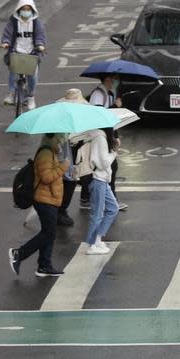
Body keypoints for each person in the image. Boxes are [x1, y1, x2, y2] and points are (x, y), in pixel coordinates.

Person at [8, 134, 69, 277]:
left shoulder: (50, 152)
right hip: (44, 200)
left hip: (50, 199)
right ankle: (19, 253)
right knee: (49, 233)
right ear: (52, 139)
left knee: (50, 233)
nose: (61, 143)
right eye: (59, 139)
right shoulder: (45, 154)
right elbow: (47, 178)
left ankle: (44, 265)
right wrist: (63, 167)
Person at [85, 75, 127, 211]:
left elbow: (110, 120)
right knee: (110, 167)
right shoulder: (98, 94)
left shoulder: (108, 94)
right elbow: (99, 115)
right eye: (113, 79)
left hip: (105, 136)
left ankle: (87, 198)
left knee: (102, 168)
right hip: (98, 137)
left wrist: (115, 135)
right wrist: (116, 106)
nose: (115, 81)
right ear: (107, 79)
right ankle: (110, 201)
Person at [0, 0, 46, 111]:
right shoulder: (13, 22)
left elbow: (40, 36)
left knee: (33, 75)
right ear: (19, 10)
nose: (26, 11)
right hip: (16, 51)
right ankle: (11, 93)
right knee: (13, 72)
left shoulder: (36, 23)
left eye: (28, 9)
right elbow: (7, 34)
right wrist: (6, 43)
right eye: (23, 9)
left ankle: (31, 97)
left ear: (32, 10)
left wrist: (40, 45)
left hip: (32, 52)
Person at [55, 89, 90, 226]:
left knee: (70, 180)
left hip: (69, 153)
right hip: (61, 154)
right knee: (68, 180)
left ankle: (61, 210)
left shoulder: (71, 117)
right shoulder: (60, 120)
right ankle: (60, 210)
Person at [84, 127, 119, 255]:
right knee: (97, 214)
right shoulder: (100, 139)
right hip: (98, 180)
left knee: (113, 208)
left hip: (103, 180)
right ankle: (92, 245)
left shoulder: (100, 137)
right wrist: (114, 152)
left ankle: (97, 239)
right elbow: (104, 163)